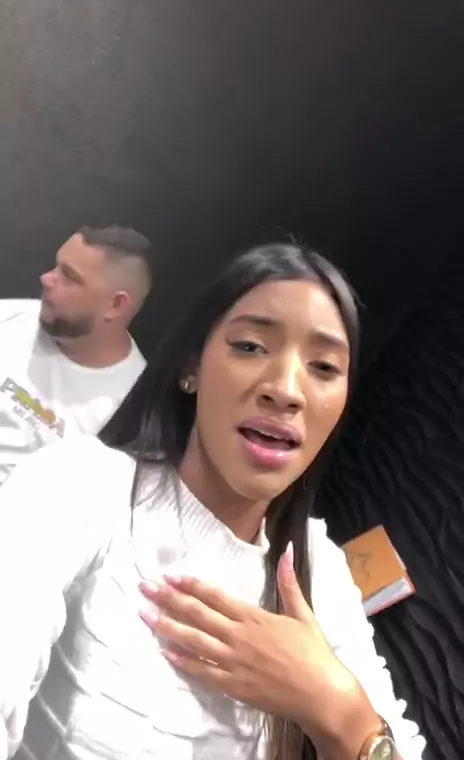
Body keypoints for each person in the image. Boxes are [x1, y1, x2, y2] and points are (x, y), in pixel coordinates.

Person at [0, 242, 424, 760]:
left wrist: (336, 706)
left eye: (323, 367)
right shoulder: (78, 488)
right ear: (192, 367)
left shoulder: (321, 575)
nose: (286, 390)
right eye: (250, 346)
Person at [0, 225, 151, 484]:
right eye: (56, 266)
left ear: (115, 305)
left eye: (69, 277)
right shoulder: (12, 318)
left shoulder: (128, 416)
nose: (46, 278)